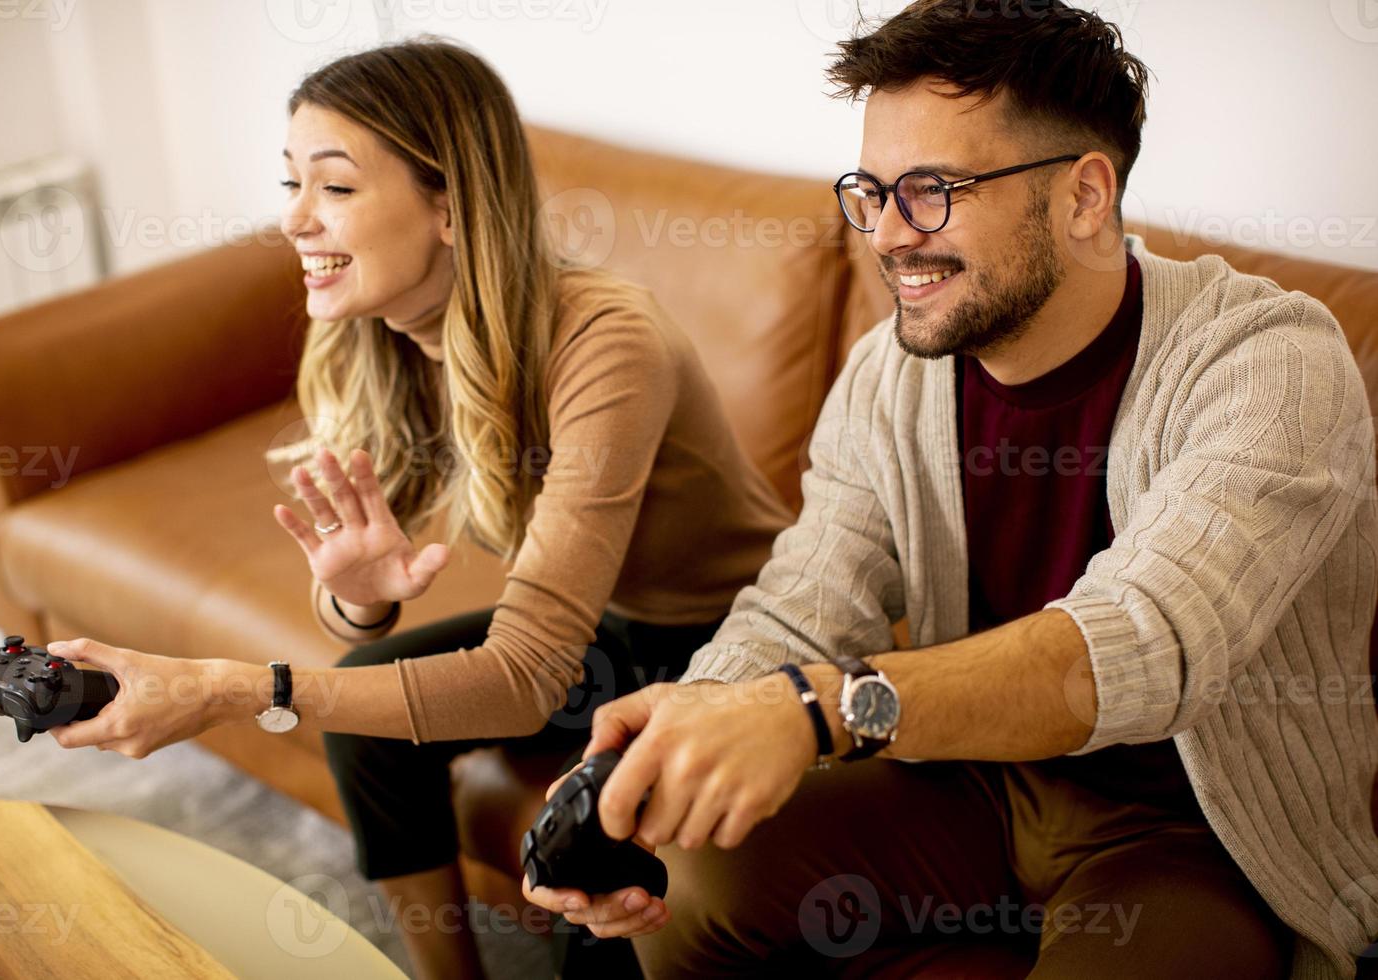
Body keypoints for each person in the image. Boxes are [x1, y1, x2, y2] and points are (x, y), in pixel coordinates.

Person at [524, 2, 1378, 977]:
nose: (886, 235)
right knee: (681, 874)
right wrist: (674, 739)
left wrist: (819, 707)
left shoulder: (1272, 360)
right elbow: (808, 596)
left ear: (1085, 196)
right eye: (870, 191)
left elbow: (1149, 640)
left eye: (930, 191)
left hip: (1192, 835)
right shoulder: (891, 372)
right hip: (976, 780)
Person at [43, 39, 792, 980]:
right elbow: (353, 600)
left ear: (449, 205)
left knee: (598, 918)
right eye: (290, 185)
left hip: (732, 642)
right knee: (366, 709)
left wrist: (229, 687)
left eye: (336, 188)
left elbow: (524, 674)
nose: (296, 223)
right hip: (613, 628)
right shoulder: (382, 338)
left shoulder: (607, 341)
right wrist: (355, 597)